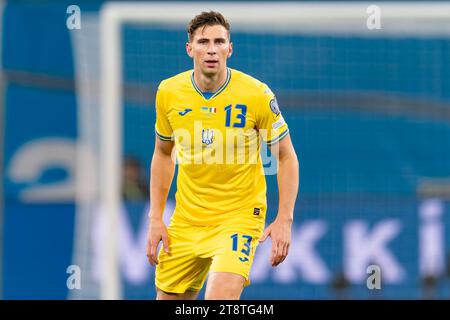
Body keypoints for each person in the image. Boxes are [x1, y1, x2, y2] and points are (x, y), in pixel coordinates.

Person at [146, 11, 299, 300]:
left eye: (219, 41)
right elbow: (163, 154)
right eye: (204, 42)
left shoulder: (256, 94)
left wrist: (284, 219)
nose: (212, 49)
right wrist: (156, 217)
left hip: (238, 218)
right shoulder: (168, 92)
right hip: (187, 219)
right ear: (190, 48)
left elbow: (286, 157)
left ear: (230, 48)